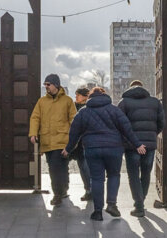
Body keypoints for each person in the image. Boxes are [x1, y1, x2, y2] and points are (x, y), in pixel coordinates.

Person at [62, 87, 145, 222]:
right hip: (114, 149)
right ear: (104, 96)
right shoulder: (114, 110)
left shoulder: (83, 112)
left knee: (96, 179)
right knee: (113, 175)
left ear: (90, 98)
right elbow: (127, 129)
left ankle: (97, 211)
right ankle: (111, 204)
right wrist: (137, 144)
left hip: (92, 149)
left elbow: (74, 132)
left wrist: (68, 148)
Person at [118, 80, 165, 217]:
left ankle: (139, 206)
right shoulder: (155, 102)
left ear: (130, 88)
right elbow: (161, 122)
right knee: (145, 174)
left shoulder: (124, 102)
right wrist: (151, 135)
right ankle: (141, 202)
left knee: (133, 176)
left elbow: (119, 124)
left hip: (132, 146)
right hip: (149, 145)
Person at [28, 73, 76, 206]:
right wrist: (33, 133)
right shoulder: (42, 102)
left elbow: (73, 118)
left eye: (48, 84)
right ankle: (61, 191)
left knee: (58, 168)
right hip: (47, 141)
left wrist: (75, 137)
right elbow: (35, 117)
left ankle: (58, 194)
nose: (46, 87)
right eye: (45, 85)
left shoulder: (67, 101)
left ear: (56, 84)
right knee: (55, 168)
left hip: (62, 141)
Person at [73, 87, 92, 201]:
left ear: (85, 96)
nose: (76, 97)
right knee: (82, 168)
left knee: (87, 168)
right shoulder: (73, 107)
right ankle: (88, 190)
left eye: (77, 95)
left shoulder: (89, 107)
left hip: (87, 143)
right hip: (78, 144)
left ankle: (90, 191)